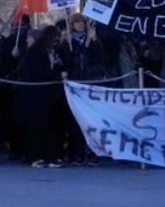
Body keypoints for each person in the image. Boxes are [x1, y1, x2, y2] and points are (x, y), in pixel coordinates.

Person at [58, 14, 106, 165]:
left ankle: (92, 152)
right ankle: (77, 152)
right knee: (75, 120)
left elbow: (100, 58)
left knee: (91, 118)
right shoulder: (68, 41)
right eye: (76, 22)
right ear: (71, 25)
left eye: (82, 22)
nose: (80, 24)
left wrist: (93, 42)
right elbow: (65, 61)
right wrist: (65, 44)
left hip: (90, 82)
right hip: (75, 83)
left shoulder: (92, 39)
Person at [13, 25, 63, 168]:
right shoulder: (36, 51)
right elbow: (39, 71)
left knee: (47, 126)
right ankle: (35, 156)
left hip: (44, 94)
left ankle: (49, 156)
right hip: (34, 94)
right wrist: (58, 75)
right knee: (35, 127)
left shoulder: (47, 51)